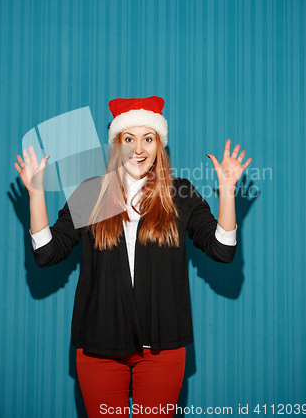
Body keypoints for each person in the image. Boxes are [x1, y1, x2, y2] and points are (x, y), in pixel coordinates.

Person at [14, 96, 252, 417]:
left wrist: (226, 192)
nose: (138, 149)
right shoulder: (93, 193)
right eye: (129, 139)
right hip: (99, 345)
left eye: (148, 138)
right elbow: (46, 253)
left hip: (163, 348)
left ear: (159, 145)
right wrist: (36, 194)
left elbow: (222, 250)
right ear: (116, 144)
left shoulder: (178, 195)